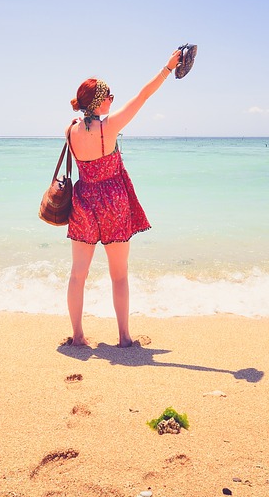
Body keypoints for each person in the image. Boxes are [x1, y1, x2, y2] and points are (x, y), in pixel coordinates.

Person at [63, 48, 183, 347]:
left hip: (84, 201)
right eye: (109, 96)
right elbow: (143, 96)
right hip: (114, 202)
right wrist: (167, 69)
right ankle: (124, 337)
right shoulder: (109, 127)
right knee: (119, 275)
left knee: (78, 274)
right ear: (98, 101)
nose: (112, 100)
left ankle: (78, 336)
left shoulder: (70, 130)